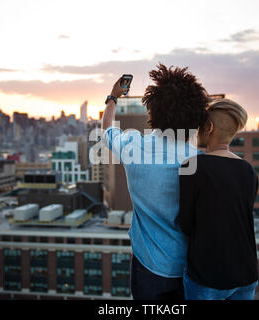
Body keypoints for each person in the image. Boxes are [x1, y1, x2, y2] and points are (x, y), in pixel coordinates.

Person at [101, 64, 209, 299]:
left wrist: (113, 97)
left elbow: (107, 130)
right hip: (193, 270)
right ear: (197, 118)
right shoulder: (204, 162)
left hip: (148, 268)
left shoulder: (133, 147)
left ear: (152, 112)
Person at [177, 98, 259, 300]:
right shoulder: (249, 171)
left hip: (208, 275)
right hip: (246, 274)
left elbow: (185, 223)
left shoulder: (192, 166)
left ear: (209, 127)